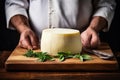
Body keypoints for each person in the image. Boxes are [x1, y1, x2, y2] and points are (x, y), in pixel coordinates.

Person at [5, 0, 116, 50]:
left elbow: (105, 3)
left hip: (83, 46)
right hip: (37, 46)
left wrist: (93, 28)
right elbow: (14, 3)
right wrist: (24, 29)